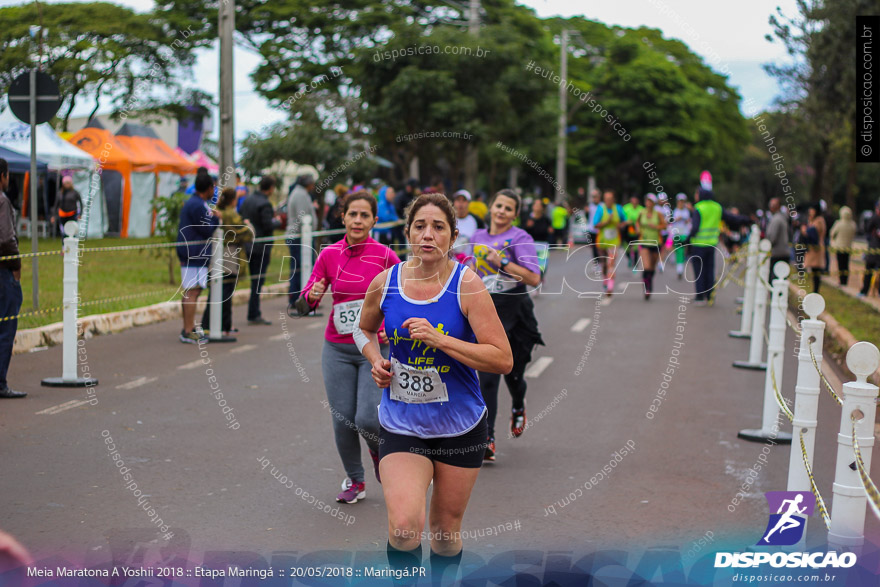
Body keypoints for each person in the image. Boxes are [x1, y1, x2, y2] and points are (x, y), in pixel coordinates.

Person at [356, 192, 513, 581]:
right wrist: (376, 360)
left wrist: (441, 340)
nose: (428, 235)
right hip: (401, 422)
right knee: (406, 527)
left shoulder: (467, 285)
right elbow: (363, 328)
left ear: (452, 235)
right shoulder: (386, 282)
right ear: (408, 232)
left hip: (460, 425)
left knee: (444, 534)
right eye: (420, 226)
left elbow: (502, 358)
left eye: (438, 227)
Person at [300, 191, 400, 504]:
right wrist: (311, 294)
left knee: (368, 418)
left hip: (373, 348)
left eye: (364, 215)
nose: (358, 220)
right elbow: (302, 305)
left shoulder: (385, 256)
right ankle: (355, 481)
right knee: (342, 417)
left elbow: (403, 297)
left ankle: (377, 448)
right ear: (343, 217)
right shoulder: (329, 254)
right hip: (338, 349)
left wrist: (385, 327)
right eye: (352, 214)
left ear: (374, 220)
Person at [470, 189, 543, 460]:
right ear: (490, 207)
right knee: (487, 376)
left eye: (508, 208)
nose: (501, 211)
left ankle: (518, 404)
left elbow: (534, 278)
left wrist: (502, 261)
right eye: (498, 205)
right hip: (485, 309)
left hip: (515, 310)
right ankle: (487, 438)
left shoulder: (520, 238)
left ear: (515, 214)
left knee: (513, 375)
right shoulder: (477, 237)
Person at [200, 188, 254, 337]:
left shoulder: (218, 211)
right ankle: (220, 325)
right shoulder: (232, 214)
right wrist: (249, 225)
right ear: (233, 200)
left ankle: (214, 324)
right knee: (226, 292)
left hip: (217, 254)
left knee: (217, 291)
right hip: (229, 256)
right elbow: (246, 233)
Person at [176, 174, 220, 343]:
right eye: (213, 188)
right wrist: (216, 218)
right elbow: (207, 230)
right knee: (192, 291)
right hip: (192, 253)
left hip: (193, 252)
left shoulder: (196, 203)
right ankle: (187, 331)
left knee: (193, 290)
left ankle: (188, 328)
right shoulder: (197, 206)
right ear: (208, 188)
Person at [0, 159, 26, 398]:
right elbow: (7, 239)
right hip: (2, 273)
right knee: (6, 327)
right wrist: (16, 266)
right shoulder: (3, 201)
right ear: (3, 176)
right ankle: (0, 382)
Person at [240, 175, 281, 325]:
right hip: (261, 247)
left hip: (248, 245)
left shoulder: (248, 199)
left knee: (254, 280)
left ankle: (253, 311)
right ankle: (254, 312)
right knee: (258, 281)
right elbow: (268, 225)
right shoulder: (265, 204)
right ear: (270, 188)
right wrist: (276, 222)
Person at [286, 174, 319, 304]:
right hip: (299, 237)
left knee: (302, 267)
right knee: (300, 268)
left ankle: (302, 298)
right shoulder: (300, 194)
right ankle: (296, 299)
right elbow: (303, 217)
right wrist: (307, 232)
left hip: (301, 237)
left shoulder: (301, 193)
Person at [688, 187, 722, 306]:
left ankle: (699, 296)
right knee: (709, 270)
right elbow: (730, 218)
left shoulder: (699, 207)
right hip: (711, 244)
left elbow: (695, 227)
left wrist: (687, 240)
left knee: (699, 271)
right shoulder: (717, 207)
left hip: (698, 244)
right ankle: (709, 295)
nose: (695, 195)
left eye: (696, 193)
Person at [592, 191, 627, 295]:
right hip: (602, 241)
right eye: (606, 199)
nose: (608, 201)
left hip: (614, 241)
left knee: (611, 263)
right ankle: (605, 280)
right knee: (604, 264)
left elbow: (625, 221)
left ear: (613, 200)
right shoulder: (600, 209)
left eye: (610, 199)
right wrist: (607, 222)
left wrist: (620, 225)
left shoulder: (618, 209)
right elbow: (595, 224)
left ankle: (610, 286)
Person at [636, 194, 666, 299]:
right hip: (644, 242)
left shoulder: (658, 214)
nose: (648, 203)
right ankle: (647, 288)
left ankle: (649, 282)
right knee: (647, 266)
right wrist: (638, 229)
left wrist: (656, 227)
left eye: (651, 202)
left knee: (652, 268)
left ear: (654, 203)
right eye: (647, 201)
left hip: (656, 243)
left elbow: (665, 226)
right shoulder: (642, 213)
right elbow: (637, 223)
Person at [451, 189, 483, 261]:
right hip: (450, 262)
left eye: (464, 200)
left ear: (468, 203)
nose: (460, 203)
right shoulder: (448, 219)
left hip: (469, 264)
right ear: (454, 202)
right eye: (458, 200)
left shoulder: (476, 221)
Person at [801, 203, 826, 293]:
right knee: (814, 270)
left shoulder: (819, 220)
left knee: (816, 270)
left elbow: (813, 232)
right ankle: (815, 290)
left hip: (816, 249)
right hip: (813, 248)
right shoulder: (813, 220)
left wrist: (805, 230)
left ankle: (816, 290)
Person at [830, 206, 857, 286]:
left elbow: (832, 233)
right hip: (848, 247)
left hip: (839, 247)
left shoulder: (838, 223)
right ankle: (845, 281)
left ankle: (841, 281)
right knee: (846, 264)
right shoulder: (853, 224)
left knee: (840, 264)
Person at [669, 193, 692, 279]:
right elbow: (670, 222)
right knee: (679, 251)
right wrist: (677, 219)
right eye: (680, 201)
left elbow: (688, 222)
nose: (681, 203)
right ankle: (679, 270)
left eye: (682, 201)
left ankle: (680, 268)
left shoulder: (686, 211)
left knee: (682, 252)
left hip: (685, 234)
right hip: (677, 234)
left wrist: (686, 220)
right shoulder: (675, 211)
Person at [860, 200, 880, 297]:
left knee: (872, 272)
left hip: (875, 249)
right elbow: (867, 229)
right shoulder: (874, 218)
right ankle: (864, 291)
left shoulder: (874, 217)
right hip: (873, 249)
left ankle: (866, 291)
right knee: (869, 271)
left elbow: (867, 229)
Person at [766, 197, 790, 270]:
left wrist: (767, 245)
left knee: (775, 278)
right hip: (783, 251)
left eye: (773, 205)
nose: (771, 207)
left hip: (777, 253)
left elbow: (772, 237)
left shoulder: (776, 219)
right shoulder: (782, 218)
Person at [622, 195, 643, 268]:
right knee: (626, 246)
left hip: (637, 229)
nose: (634, 202)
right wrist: (626, 222)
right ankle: (629, 258)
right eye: (632, 200)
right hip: (627, 229)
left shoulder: (641, 209)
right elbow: (622, 218)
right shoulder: (626, 208)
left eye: (635, 200)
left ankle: (635, 262)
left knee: (636, 247)